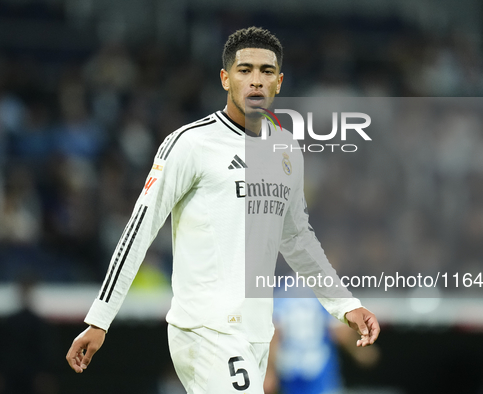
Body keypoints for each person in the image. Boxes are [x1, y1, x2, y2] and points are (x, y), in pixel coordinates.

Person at [66, 26, 380, 394]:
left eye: (266, 72)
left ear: (278, 82)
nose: (255, 81)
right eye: (244, 70)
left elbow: (297, 239)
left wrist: (344, 304)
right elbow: (140, 227)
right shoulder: (190, 143)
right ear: (225, 78)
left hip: (256, 333)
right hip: (206, 329)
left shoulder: (286, 150)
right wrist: (100, 318)